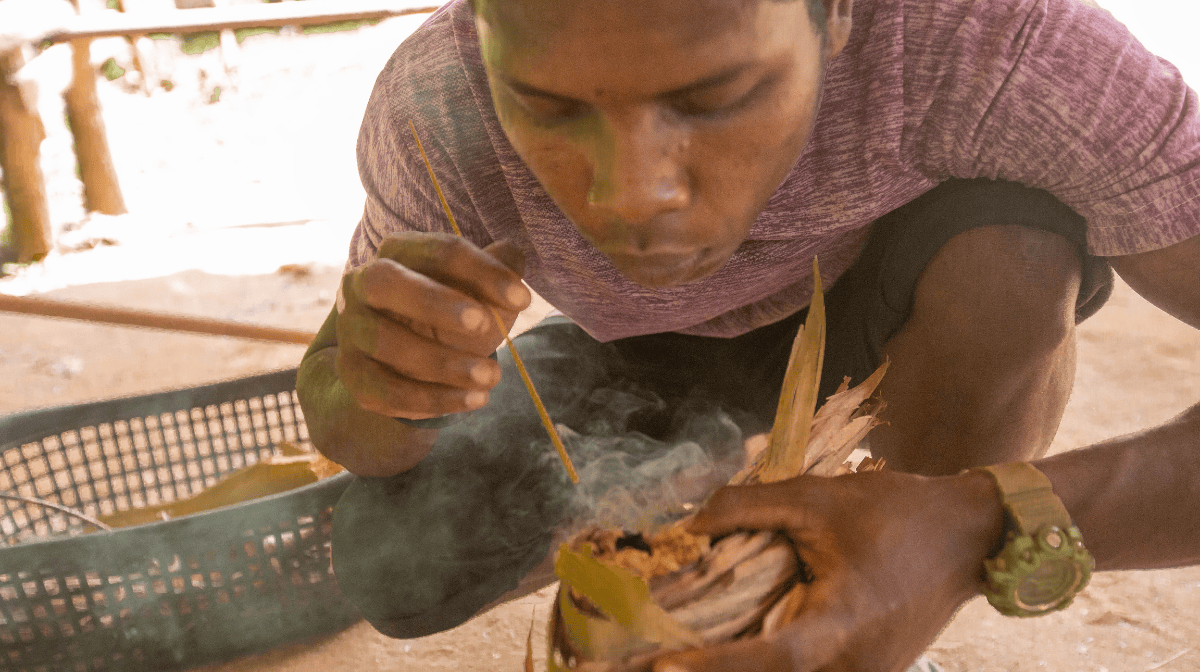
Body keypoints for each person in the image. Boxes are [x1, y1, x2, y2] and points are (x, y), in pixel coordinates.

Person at [295, 0, 1200, 669]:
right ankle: (721, 480)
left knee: (1013, 249)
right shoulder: (434, 108)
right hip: (637, 351)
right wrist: (375, 382)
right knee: (396, 566)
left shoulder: (991, 45)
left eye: (714, 96)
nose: (628, 195)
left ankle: (897, 551)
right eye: (549, 107)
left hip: (879, 315)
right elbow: (343, 402)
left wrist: (979, 523)